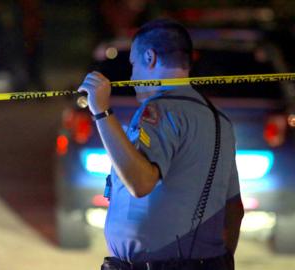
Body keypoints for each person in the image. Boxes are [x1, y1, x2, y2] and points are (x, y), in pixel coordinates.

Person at [78, 19, 244, 270]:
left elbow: (141, 182)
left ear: (150, 58)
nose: (132, 76)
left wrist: (101, 112)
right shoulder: (219, 120)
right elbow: (234, 209)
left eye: (133, 64)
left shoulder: (160, 110)